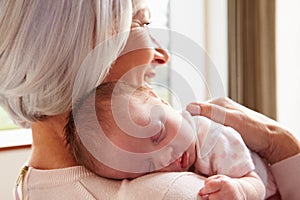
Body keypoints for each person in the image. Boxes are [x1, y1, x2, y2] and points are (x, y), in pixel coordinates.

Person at [1, 1, 211, 200]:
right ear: (72, 50)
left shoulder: (33, 183)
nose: (162, 56)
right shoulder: (174, 192)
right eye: (142, 24)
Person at [65, 80, 267, 199]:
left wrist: (240, 189)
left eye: (158, 135)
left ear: (160, 100)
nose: (165, 158)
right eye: (148, 166)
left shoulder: (213, 138)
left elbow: (257, 183)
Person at [186, 98, 300, 200]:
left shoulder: (209, 135)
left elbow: (257, 184)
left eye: (167, 133)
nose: (169, 152)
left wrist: (241, 190)